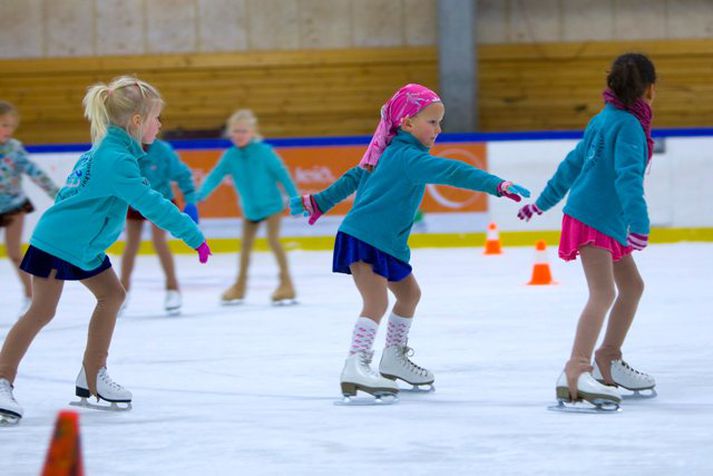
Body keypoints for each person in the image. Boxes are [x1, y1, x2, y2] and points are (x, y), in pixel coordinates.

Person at [290, 84, 530, 401]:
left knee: (409, 294)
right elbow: (453, 171)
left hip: (387, 243)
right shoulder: (407, 157)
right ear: (407, 123)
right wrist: (496, 185)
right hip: (365, 237)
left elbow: (353, 176)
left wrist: (318, 201)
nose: (439, 129)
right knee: (376, 302)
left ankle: (393, 358)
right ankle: (355, 364)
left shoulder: (386, 153)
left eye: (439, 122)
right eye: (432, 122)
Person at [0, 76, 211, 424]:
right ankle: (3, 378)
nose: (160, 125)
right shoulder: (115, 159)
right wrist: (192, 234)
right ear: (137, 121)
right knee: (42, 311)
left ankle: (92, 374)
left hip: (83, 245)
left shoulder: (110, 150)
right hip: (60, 243)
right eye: (157, 117)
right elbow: (150, 202)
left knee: (112, 296)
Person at [517, 53, 657, 410]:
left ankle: (608, 358)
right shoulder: (627, 126)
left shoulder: (603, 119)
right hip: (595, 219)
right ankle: (577, 369)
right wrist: (639, 225)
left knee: (632, 287)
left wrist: (540, 203)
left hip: (602, 219)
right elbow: (628, 177)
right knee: (603, 293)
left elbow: (571, 166)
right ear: (650, 91)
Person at [197, 109, 298, 304]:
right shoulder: (230, 156)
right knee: (244, 248)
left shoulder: (265, 153)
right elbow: (215, 176)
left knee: (274, 241)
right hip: (250, 210)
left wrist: (295, 199)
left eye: (243, 131)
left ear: (252, 132)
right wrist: (202, 194)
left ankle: (287, 285)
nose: (239, 135)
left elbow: (283, 175)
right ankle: (239, 287)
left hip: (271, 207)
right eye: (235, 131)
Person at [119, 138, 200, 314]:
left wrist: (190, 200)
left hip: (161, 201)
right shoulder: (125, 148)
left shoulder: (162, 151)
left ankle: (173, 288)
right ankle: (121, 292)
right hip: (135, 202)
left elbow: (182, 174)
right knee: (131, 245)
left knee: (159, 241)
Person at [0, 101, 59, 313]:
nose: (8, 130)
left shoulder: (14, 148)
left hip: (14, 205)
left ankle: (29, 294)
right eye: (4, 125)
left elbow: (35, 173)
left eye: (11, 126)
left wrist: (56, 193)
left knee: (15, 253)